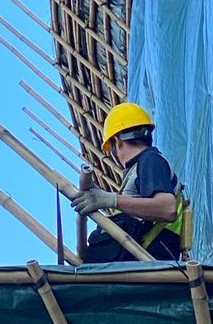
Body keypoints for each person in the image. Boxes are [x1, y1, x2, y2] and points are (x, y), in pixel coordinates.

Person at [71, 102, 183, 263]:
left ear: (118, 141)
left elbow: (168, 208)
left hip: (151, 259)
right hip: (146, 259)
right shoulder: (140, 169)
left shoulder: (150, 160)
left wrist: (111, 200)